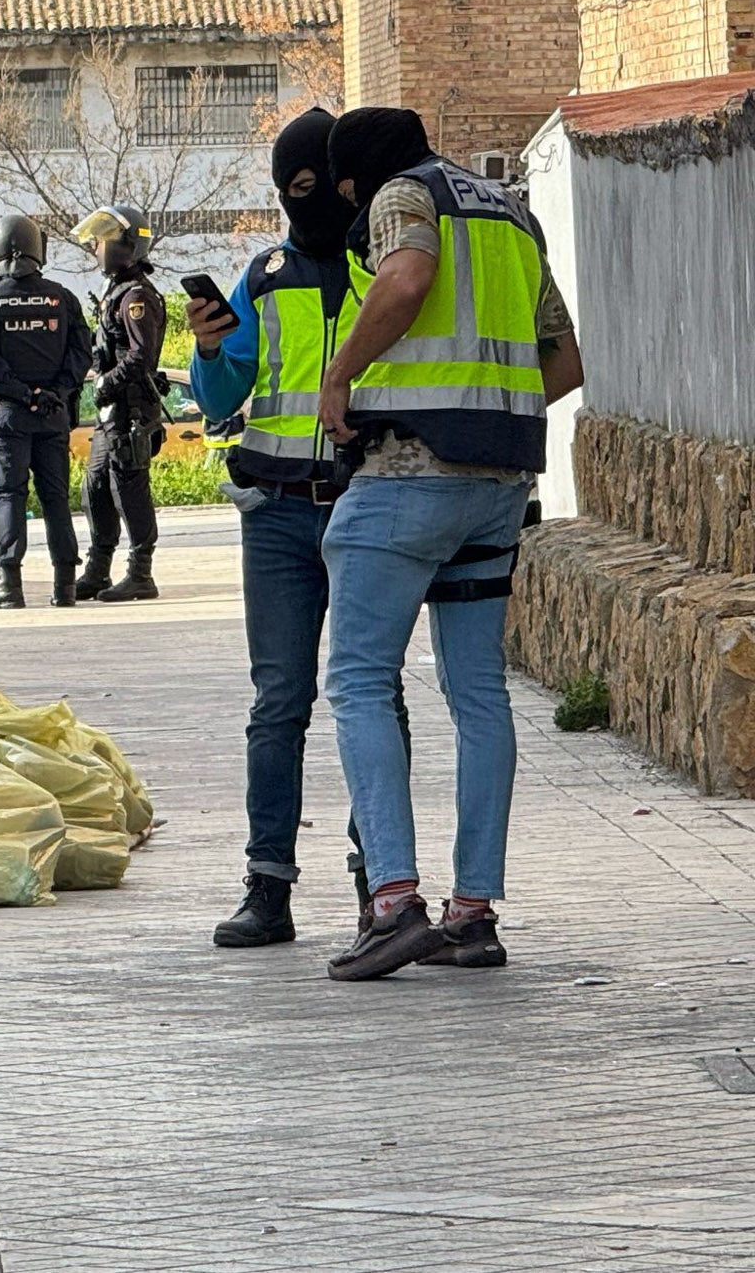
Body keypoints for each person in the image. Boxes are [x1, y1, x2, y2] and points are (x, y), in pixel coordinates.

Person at [317, 107, 585, 982]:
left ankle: (392, 901)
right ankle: (475, 917)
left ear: (359, 176)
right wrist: (490, 415)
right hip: (497, 485)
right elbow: (566, 357)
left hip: (405, 477)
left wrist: (342, 371)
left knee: (358, 678)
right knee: (478, 694)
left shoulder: (405, 194)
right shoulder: (508, 208)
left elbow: (404, 280)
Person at [189, 107, 397, 946]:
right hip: (274, 516)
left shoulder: (386, 265)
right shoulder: (265, 273)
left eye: (309, 185)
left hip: (364, 503)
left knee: (370, 699)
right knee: (279, 703)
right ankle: (266, 886)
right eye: (285, 189)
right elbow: (218, 399)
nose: (297, 202)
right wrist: (208, 349)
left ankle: (379, 882)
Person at [0, 213, 95, 610]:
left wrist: (24, 394)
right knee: (56, 498)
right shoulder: (63, 299)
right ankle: (65, 586)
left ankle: (9, 585)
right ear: (39, 249)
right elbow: (81, 354)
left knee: (9, 494)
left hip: (10, 416)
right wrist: (53, 392)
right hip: (53, 414)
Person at [74, 204, 167, 603]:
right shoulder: (115, 292)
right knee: (95, 486)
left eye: (104, 239)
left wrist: (105, 383)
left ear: (126, 245)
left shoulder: (136, 296)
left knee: (129, 489)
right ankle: (97, 569)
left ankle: (140, 573)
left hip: (130, 409)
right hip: (111, 412)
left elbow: (141, 355)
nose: (96, 247)